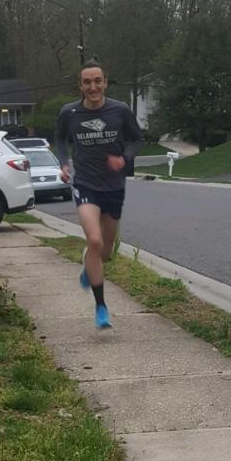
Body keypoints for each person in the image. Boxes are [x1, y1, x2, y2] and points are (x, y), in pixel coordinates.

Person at [54, 59, 143, 328]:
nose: (93, 87)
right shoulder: (69, 113)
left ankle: (89, 265)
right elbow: (60, 139)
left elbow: (137, 139)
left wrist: (124, 158)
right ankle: (101, 306)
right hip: (86, 185)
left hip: (114, 187)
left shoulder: (120, 110)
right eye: (87, 82)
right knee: (94, 240)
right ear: (80, 86)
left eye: (97, 81)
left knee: (104, 252)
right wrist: (63, 163)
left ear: (105, 82)